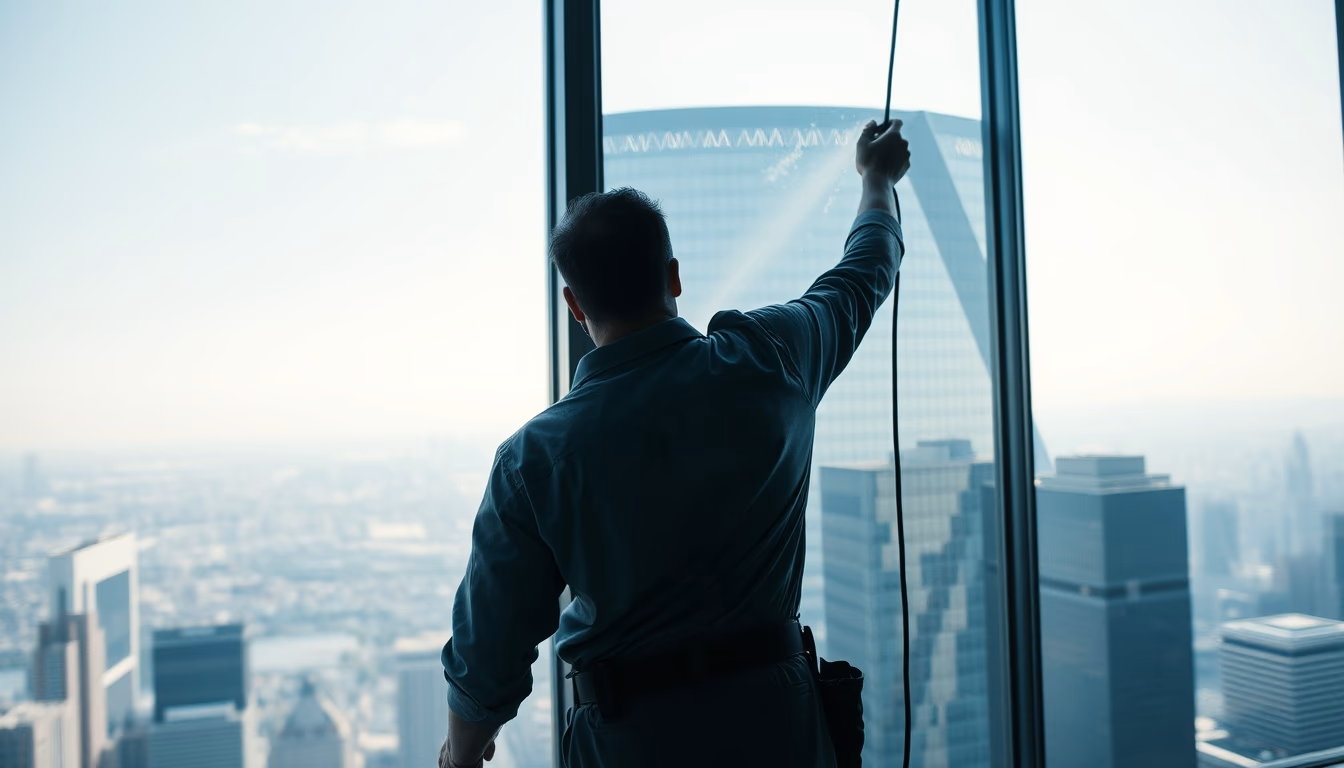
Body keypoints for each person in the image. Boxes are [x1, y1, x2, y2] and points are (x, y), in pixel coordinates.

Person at [438, 118, 911, 768]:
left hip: (629, 744)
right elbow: (865, 272)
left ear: (575, 306)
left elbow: (487, 650)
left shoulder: (535, 458)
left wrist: (461, 753)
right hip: (779, 734)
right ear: (675, 276)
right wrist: (876, 178)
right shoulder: (772, 359)